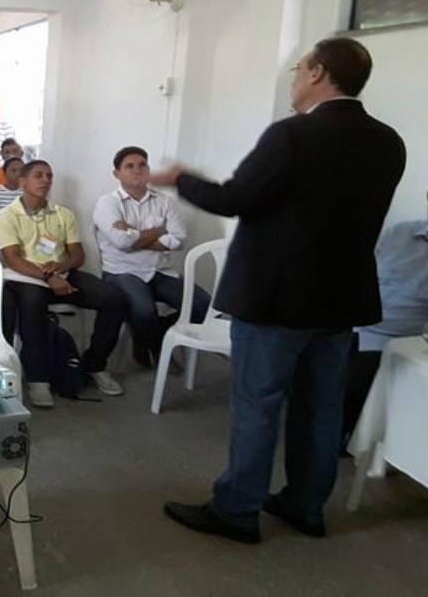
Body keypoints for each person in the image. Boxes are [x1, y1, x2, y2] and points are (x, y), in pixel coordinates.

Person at [154, 37, 406, 543]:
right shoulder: (388, 142)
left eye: (298, 68)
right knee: (320, 408)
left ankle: (237, 510)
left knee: (258, 405)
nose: (293, 79)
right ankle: (305, 506)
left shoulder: (293, 135)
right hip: (341, 301)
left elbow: (233, 199)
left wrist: (182, 178)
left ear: (317, 73)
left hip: (275, 300)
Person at [0, 161, 127, 407]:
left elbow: (77, 254)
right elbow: (13, 259)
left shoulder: (62, 214)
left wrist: (61, 267)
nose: (45, 181)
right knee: (31, 303)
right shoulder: (6, 216)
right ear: (23, 182)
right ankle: (38, 378)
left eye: (49, 176)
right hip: (26, 277)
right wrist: (47, 277)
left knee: (113, 297)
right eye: (38, 175)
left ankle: (95, 364)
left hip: (61, 274)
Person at [94, 146, 211, 369]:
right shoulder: (107, 203)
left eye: (142, 165)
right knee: (144, 311)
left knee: (204, 305)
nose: (137, 170)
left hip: (160, 271)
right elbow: (120, 242)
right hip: (122, 272)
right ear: (117, 174)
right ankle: (156, 345)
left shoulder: (165, 201)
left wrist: (132, 233)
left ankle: (154, 334)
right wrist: (159, 231)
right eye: (129, 166)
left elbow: (178, 240)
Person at [342, 181, 428, 442]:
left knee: (356, 377)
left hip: (404, 338)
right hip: (358, 323)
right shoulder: (399, 233)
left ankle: (350, 436)